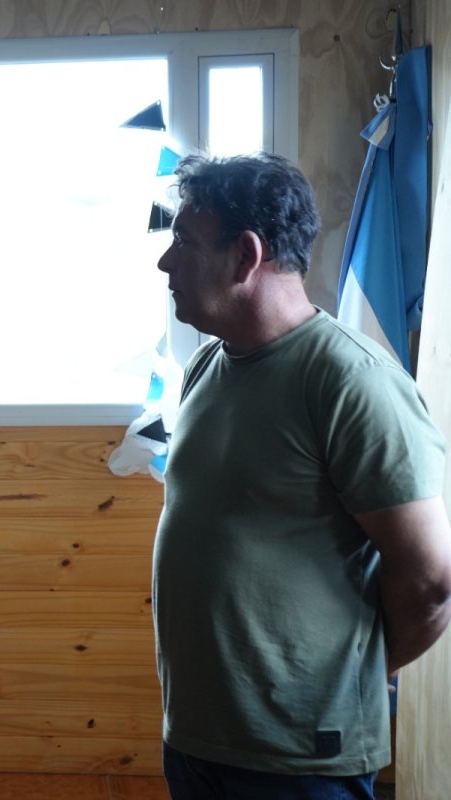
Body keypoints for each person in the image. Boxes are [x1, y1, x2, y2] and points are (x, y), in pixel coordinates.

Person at [153, 153, 451, 799]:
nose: (165, 263)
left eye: (185, 242)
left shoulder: (351, 381)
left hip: (299, 758)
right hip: (199, 738)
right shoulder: (207, 365)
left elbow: (430, 582)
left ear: (246, 255)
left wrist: (347, 677)